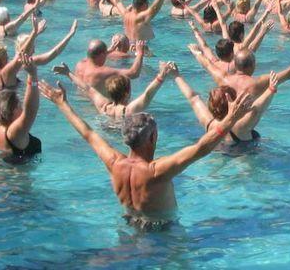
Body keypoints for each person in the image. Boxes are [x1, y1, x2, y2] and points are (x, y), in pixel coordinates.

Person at [38, 78, 252, 230]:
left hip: (129, 225)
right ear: (152, 138)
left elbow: (87, 133)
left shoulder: (114, 162)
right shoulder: (157, 171)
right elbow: (201, 148)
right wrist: (231, 118)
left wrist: (62, 103)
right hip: (163, 233)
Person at [175, 69, 279, 149]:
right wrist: (271, 89)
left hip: (219, 151)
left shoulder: (209, 122)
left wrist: (176, 76)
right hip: (244, 156)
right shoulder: (240, 126)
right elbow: (257, 109)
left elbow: (193, 98)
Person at [0, 51, 41, 164]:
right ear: (13, 110)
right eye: (19, 105)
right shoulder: (15, 132)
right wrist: (32, 76)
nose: (22, 107)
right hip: (17, 178)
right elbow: (31, 110)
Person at [54, 61, 174, 119]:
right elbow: (147, 95)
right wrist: (161, 76)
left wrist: (68, 73)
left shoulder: (103, 107)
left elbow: (87, 88)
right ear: (127, 93)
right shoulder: (128, 111)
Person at [210, 49, 290, 99]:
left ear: (235, 65)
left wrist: (197, 53)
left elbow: (208, 65)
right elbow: (289, 73)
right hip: (245, 134)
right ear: (253, 66)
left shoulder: (223, 79)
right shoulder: (258, 83)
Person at [73, 39, 145, 95]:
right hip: (95, 108)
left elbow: (93, 55)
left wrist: (109, 50)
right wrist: (140, 53)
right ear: (101, 55)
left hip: (81, 100)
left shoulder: (80, 64)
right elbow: (134, 73)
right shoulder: (102, 72)